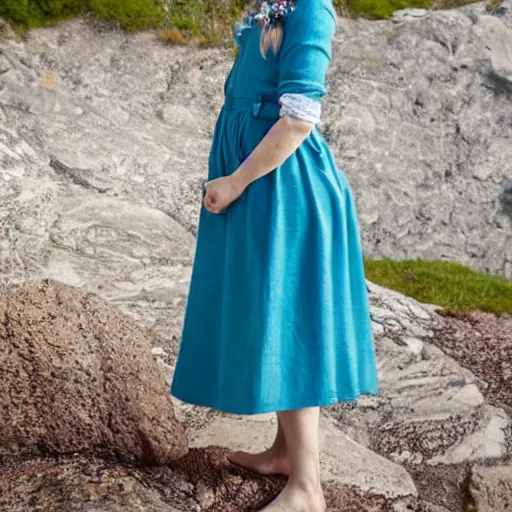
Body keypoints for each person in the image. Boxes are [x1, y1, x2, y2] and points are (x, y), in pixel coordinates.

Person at [171, 0, 379, 509]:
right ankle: (285, 452)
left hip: (284, 188)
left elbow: (298, 120)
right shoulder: (269, 5)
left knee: (287, 322)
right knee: (265, 314)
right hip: (259, 184)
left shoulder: (311, 8)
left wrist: (237, 181)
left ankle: (307, 489)